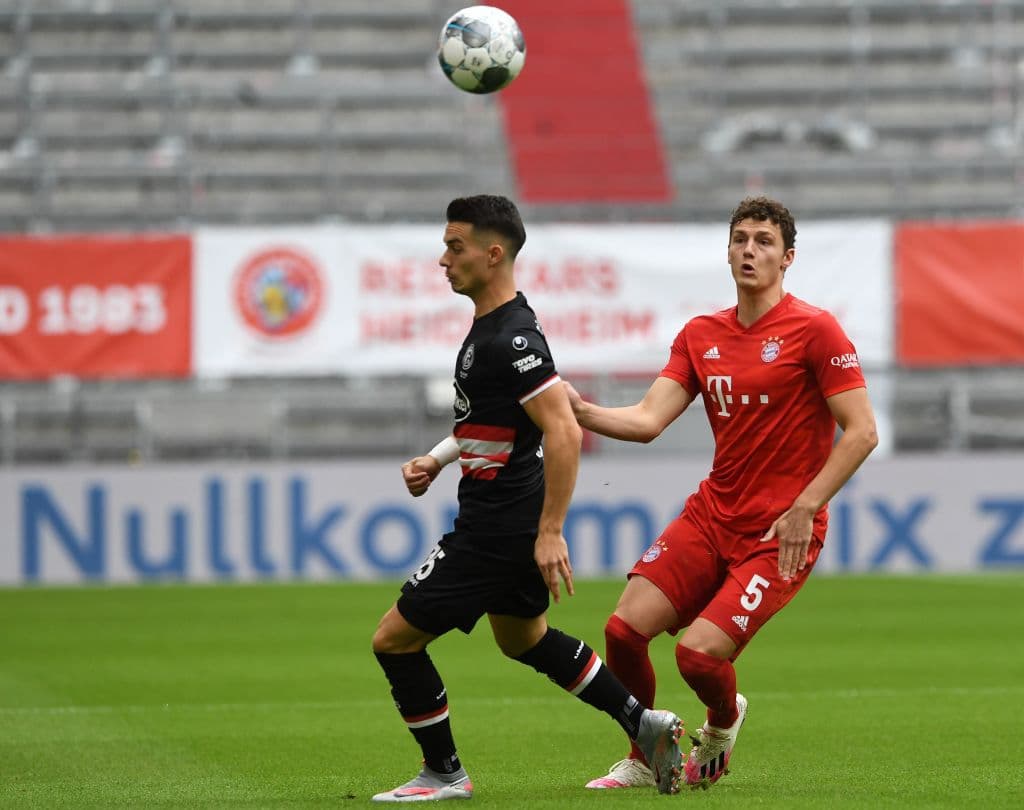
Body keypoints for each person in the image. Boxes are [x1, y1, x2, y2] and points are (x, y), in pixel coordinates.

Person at [370, 194, 685, 802]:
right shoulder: (493, 329)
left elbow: (563, 427)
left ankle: (444, 773)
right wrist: (436, 461)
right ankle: (642, 725)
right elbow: (490, 420)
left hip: (497, 527)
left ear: (493, 254)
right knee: (523, 639)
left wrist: (550, 531)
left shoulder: (511, 337)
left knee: (393, 640)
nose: (443, 259)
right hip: (507, 519)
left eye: (454, 246)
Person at [566, 195, 879, 791]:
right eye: (740, 239)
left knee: (698, 657)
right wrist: (577, 410)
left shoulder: (815, 330)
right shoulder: (700, 333)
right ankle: (644, 753)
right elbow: (648, 421)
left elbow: (862, 430)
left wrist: (805, 507)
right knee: (623, 631)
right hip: (714, 513)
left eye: (763, 241)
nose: (749, 250)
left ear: (788, 258)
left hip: (780, 530)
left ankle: (722, 719)